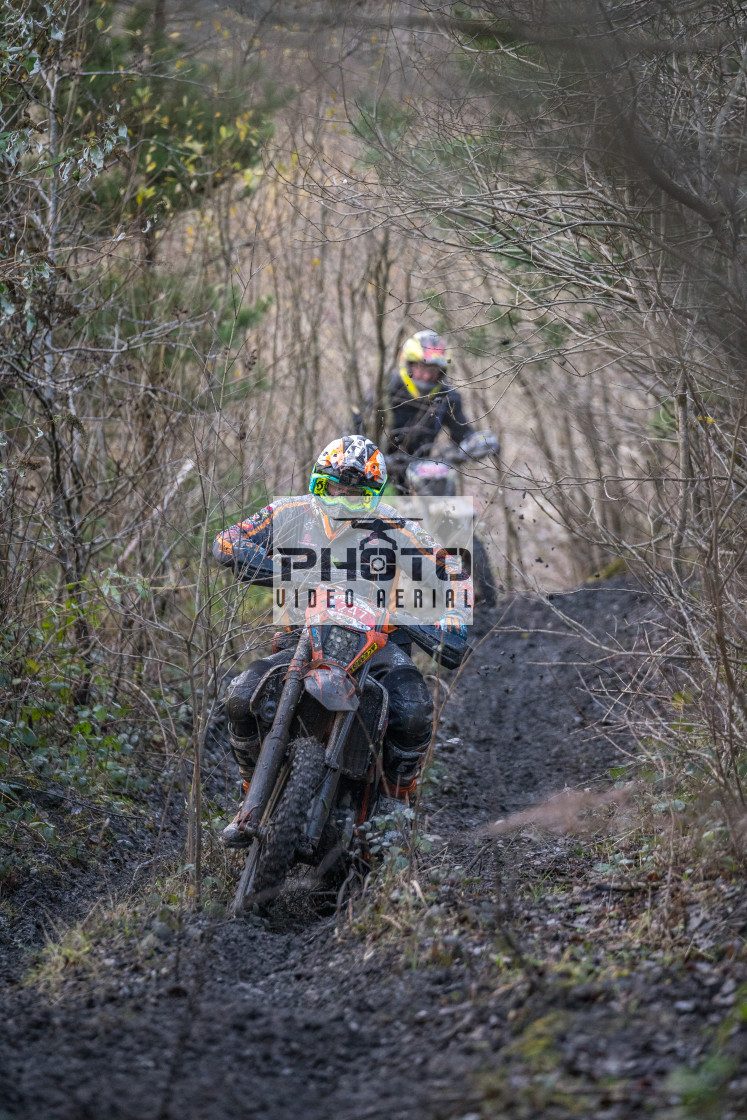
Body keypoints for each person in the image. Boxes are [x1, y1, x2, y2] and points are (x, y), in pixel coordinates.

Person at [213, 435, 472, 848]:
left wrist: (452, 617)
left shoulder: (397, 526)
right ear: (319, 483)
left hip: (380, 644)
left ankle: (395, 806)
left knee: (414, 711)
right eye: (331, 488)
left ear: (373, 496)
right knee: (241, 696)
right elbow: (228, 539)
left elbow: (452, 569)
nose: (340, 499)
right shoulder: (290, 511)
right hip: (302, 637)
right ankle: (251, 791)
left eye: (354, 495)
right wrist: (274, 566)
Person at [384, 330, 478, 490]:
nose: (427, 376)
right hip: (381, 476)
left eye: (433, 370)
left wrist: (478, 442)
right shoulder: (385, 393)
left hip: (424, 476)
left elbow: (462, 433)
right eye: (421, 368)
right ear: (409, 365)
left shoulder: (448, 397)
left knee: (453, 508)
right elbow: (355, 433)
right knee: (386, 509)